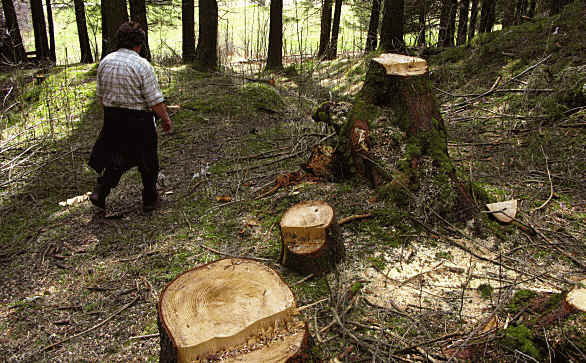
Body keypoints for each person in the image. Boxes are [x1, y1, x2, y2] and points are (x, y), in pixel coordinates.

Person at [88, 21, 173, 213]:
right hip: (139, 121)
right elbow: (154, 101)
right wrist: (166, 120)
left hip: (113, 118)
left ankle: (101, 190)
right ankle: (150, 199)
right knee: (148, 160)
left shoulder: (105, 62)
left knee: (118, 158)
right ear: (139, 44)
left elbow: (101, 97)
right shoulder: (142, 65)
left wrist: (112, 115)